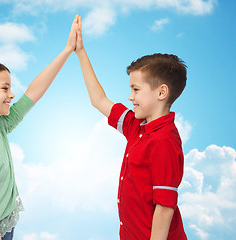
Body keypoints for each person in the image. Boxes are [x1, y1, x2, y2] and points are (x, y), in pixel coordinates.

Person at [0, 15, 79, 240]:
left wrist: (67, 50)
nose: (12, 94)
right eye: (5, 88)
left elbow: (33, 93)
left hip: (1, 229)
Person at [74, 16, 188, 240]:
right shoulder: (137, 126)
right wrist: (80, 52)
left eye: (136, 89)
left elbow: (164, 208)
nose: (130, 96)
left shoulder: (164, 141)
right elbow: (99, 100)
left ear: (161, 93)